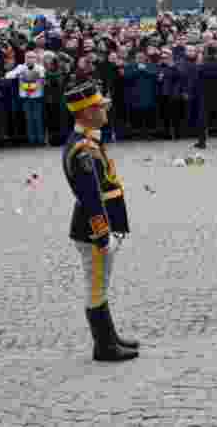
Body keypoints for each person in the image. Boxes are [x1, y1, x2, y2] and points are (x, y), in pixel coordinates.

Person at [62, 80, 138, 362]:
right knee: (96, 286)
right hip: (93, 231)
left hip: (96, 228)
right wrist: (103, 235)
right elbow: (91, 198)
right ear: (87, 112)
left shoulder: (88, 141)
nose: (105, 110)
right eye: (100, 107)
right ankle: (104, 345)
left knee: (101, 283)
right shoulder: (83, 149)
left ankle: (110, 337)